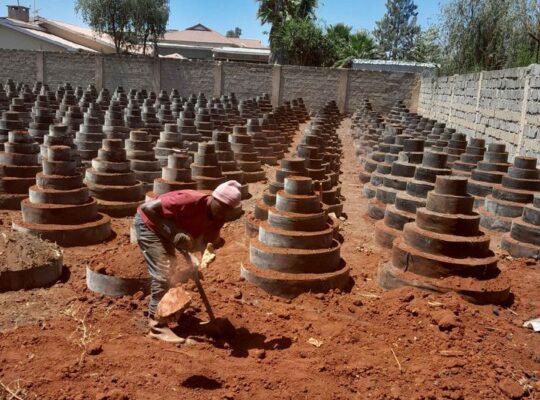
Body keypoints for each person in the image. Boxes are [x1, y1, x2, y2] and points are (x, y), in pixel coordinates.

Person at [133, 180, 242, 343]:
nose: (223, 213)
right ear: (214, 198)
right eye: (222, 207)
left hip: (172, 230)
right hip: (150, 225)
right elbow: (146, 209)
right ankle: (157, 327)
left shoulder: (219, 218)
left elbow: (205, 243)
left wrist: (199, 258)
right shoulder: (188, 200)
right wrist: (174, 232)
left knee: (174, 269)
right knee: (164, 272)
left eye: (228, 210)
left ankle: (166, 311)